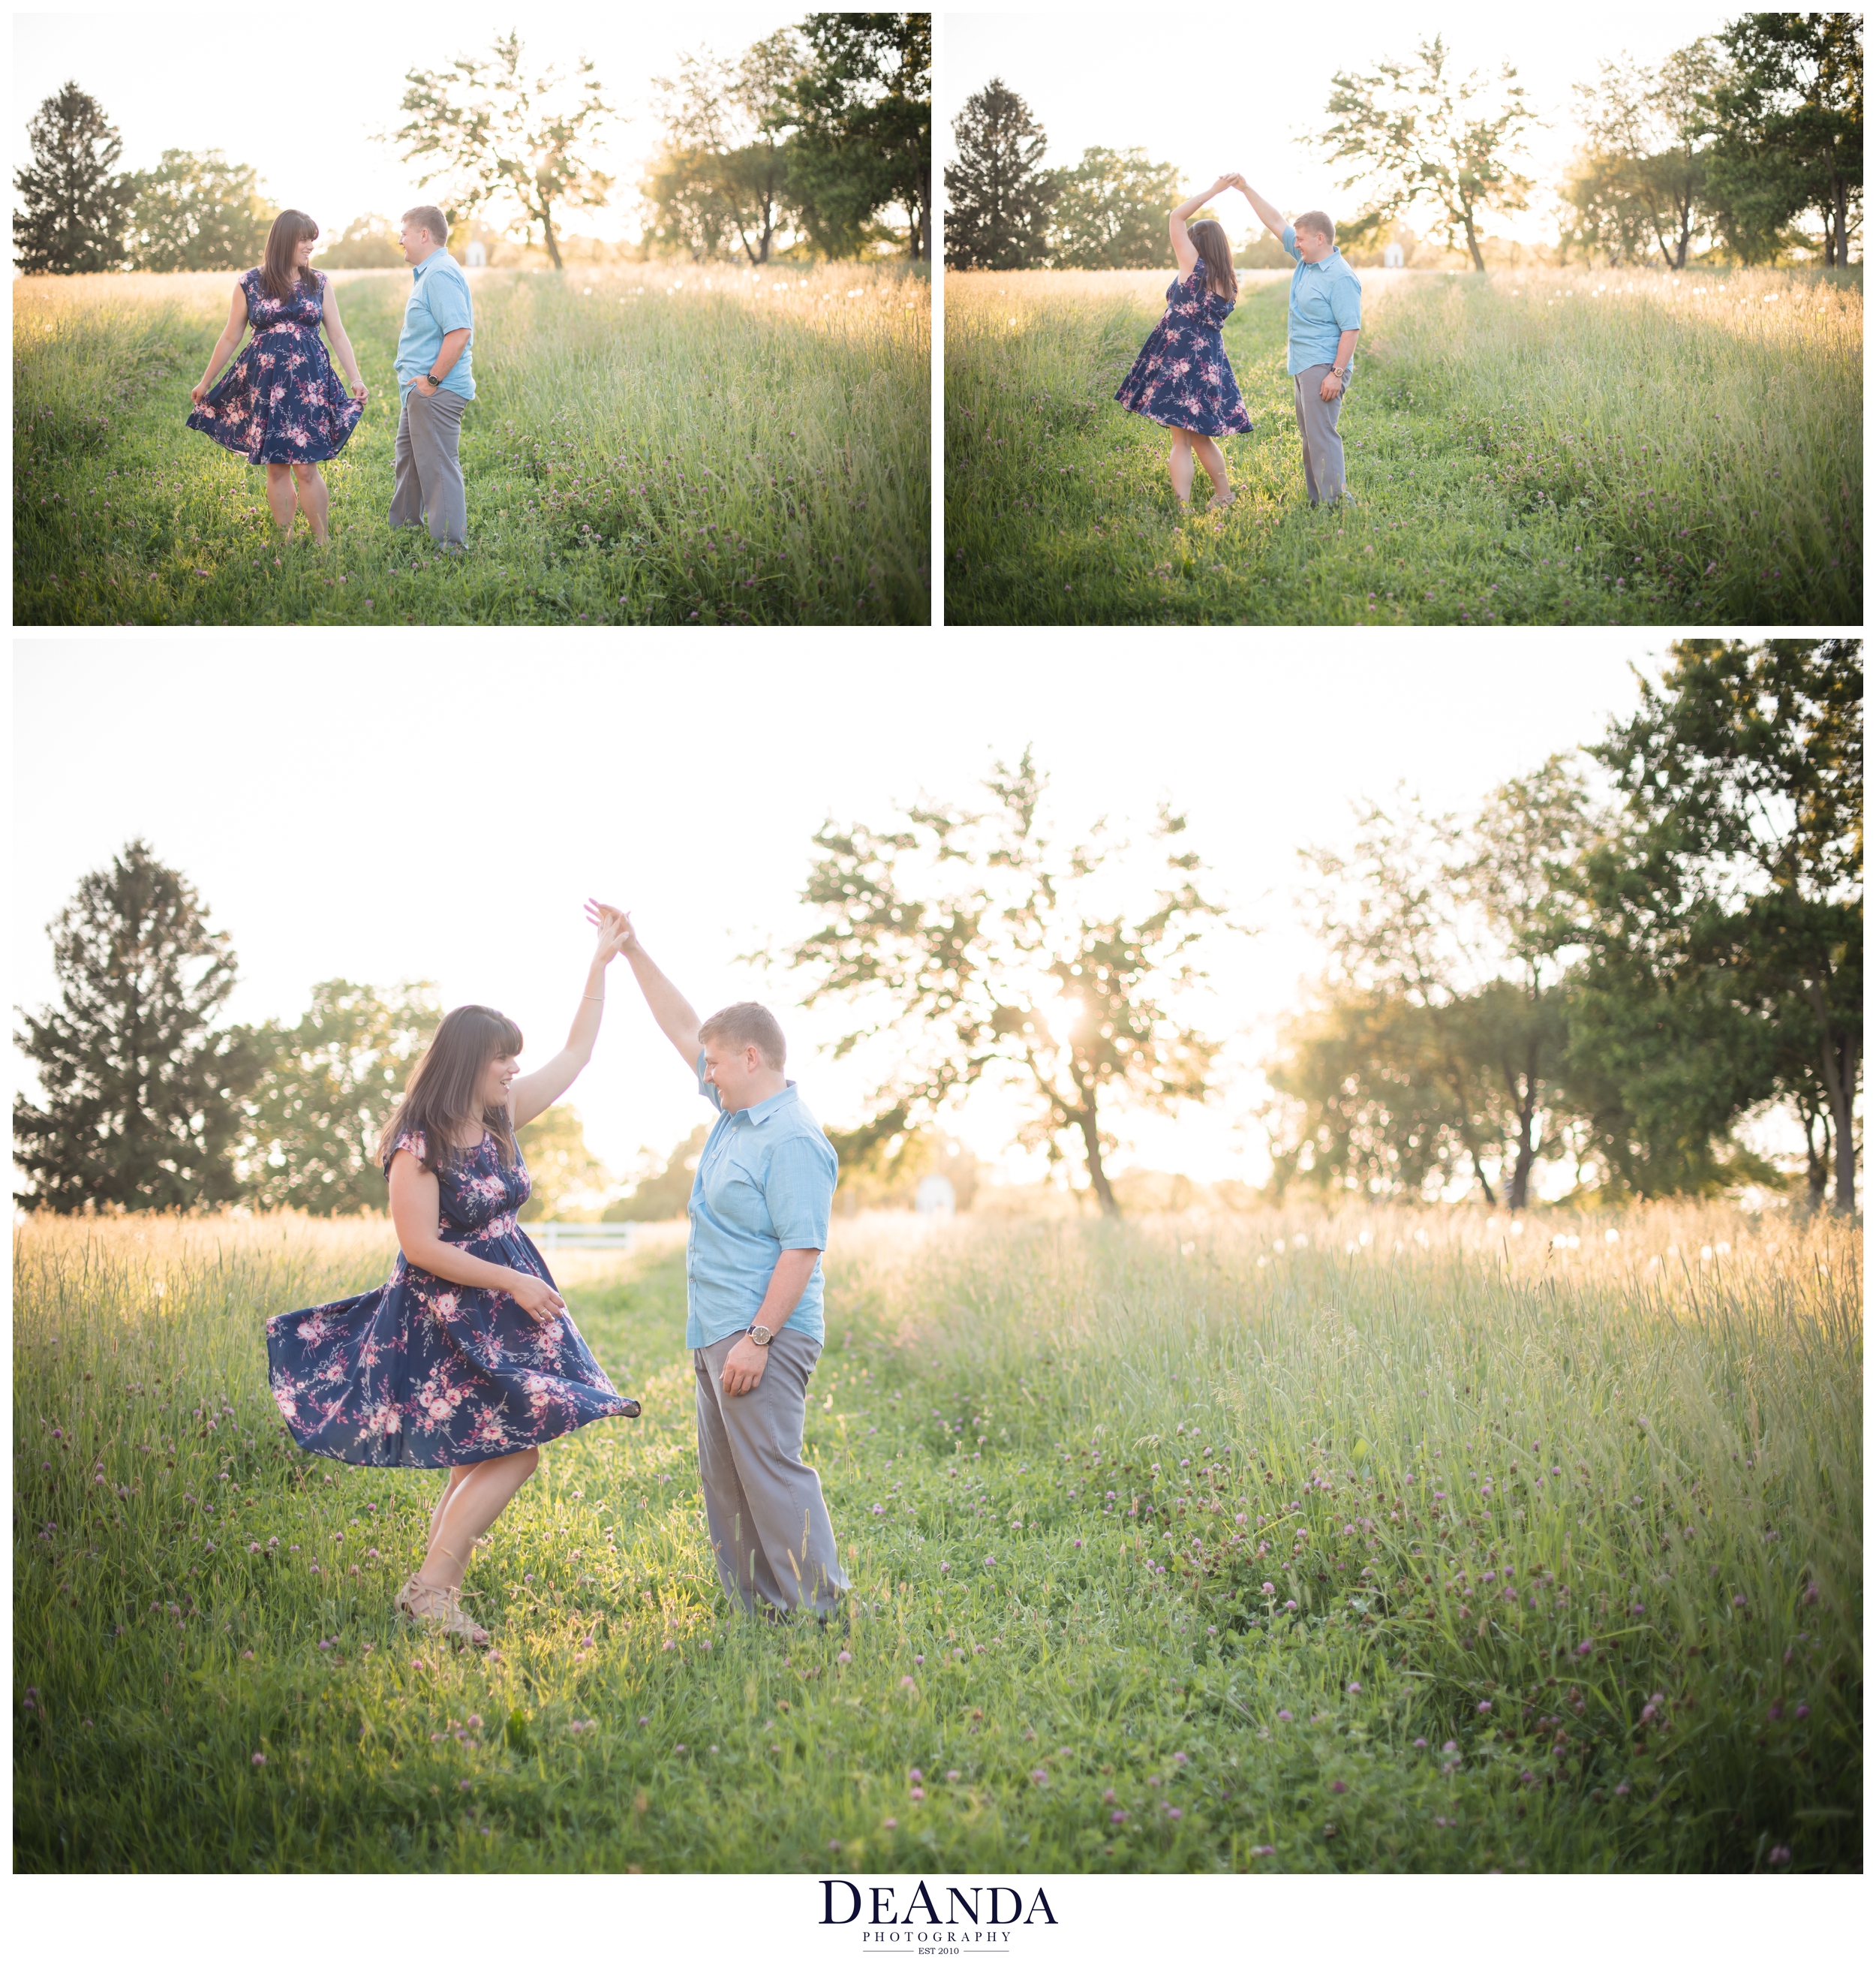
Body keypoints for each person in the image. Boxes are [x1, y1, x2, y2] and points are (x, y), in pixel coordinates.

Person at [264, 913, 640, 1646]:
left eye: (512, 1060)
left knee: (485, 1448)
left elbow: (578, 1053)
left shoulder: (499, 1117)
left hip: (502, 1306)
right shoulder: (419, 1142)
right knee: (517, 1446)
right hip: (450, 1311)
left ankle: (432, 1592)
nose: (511, 1069)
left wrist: (600, 963)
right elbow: (420, 1245)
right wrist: (513, 1282)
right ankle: (432, 1587)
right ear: (468, 1060)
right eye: (502, 1058)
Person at [598, 901, 846, 1623]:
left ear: (752, 1058)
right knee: (728, 1480)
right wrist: (635, 952)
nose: (703, 1071)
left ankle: (820, 1615)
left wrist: (759, 1340)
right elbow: (683, 1027)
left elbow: (803, 1249)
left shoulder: (792, 1139)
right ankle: (761, 1612)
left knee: (771, 1473)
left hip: (762, 1332)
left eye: (715, 1061)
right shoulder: (734, 1115)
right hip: (717, 1328)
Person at [185, 210, 367, 543]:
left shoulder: (319, 282)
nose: (311, 245)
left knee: (306, 466)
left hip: (308, 383)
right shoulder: (250, 283)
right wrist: (205, 381)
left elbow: (337, 333)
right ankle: (285, 539)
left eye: (313, 238)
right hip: (265, 383)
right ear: (284, 240)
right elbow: (230, 336)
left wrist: (355, 378)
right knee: (276, 467)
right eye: (304, 239)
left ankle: (322, 542)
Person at [1114, 174, 1254, 511]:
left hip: (1180, 357)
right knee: (1201, 435)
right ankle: (1224, 496)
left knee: (1181, 440)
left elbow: (1175, 216)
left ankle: (1183, 507)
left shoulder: (1193, 267)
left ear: (1198, 245)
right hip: (1209, 360)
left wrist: (1213, 191)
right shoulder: (1228, 281)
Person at [1227, 176, 1361, 506]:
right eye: (1295, 240)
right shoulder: (1308, 261)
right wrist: (1245, 189)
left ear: (1320, 238)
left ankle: (1337, 505)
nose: (1295, 243)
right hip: (1303, 364)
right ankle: (1319, 500)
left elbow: (1351, 330)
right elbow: (1275, 220)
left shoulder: (1340, 277)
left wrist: (1336, 373)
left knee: (1321, 436)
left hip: (1324, 366)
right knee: (1309, 437)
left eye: (1301, 239)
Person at [391, 203, 476, 551]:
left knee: (439, 466)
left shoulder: (439, 273)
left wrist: (432, 381)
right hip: (419, 392)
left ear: (424, 235)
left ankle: (450, 546)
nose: (401, 240)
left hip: (435, 392)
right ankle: (405, 533)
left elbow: (459, 332)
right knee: (409, 461)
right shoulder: (430, 272)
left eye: (405, 233)